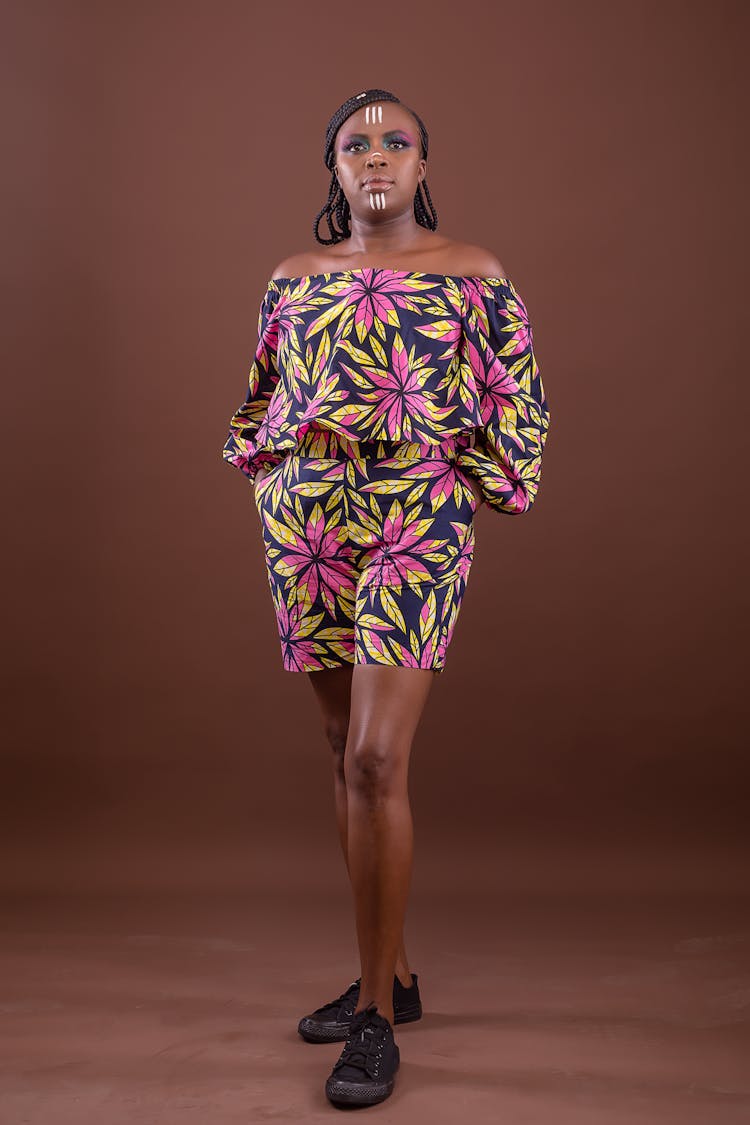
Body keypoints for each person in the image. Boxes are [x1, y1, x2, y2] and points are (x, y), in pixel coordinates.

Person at [221, 87, 551, 1108]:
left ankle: (370, 1022)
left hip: (417, 509)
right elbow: (260, 393)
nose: (374, 156)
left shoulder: (473, 273)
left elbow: (519, 406)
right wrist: (271, 465)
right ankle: (395, 979)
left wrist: (471, 484)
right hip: (309, 511)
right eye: (354, 144)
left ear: (422, 164)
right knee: (338, 751)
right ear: (333, 169)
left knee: (376, 755)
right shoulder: (291, 276)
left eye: (394, 141)